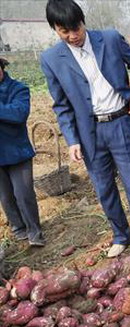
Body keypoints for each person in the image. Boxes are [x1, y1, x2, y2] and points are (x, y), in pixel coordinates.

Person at [40, 0, 130, 259]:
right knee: (104, 189)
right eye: (65, 31)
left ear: (83, 22)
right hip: (89, 134)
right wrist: (72, 140)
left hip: (120, 122)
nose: (73, 36)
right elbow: (61, 105)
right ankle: (121, 236)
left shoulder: (109, 39)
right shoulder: (51, 59)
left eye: (77, 28)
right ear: (55, 29)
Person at [0, 57, 45, 247]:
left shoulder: (18, 88)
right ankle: (19, 229)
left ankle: (34, 231)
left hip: (17, 152)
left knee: (23, 193)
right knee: (5, 196)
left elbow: (18, 114)